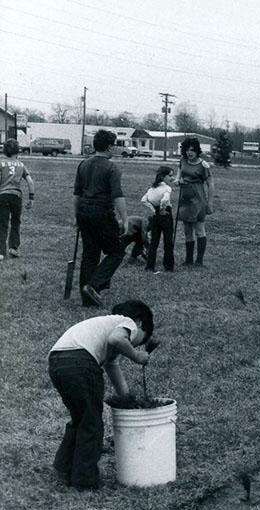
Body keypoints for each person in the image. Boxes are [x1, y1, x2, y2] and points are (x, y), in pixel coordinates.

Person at [48, 300, 153, 490]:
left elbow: (112, 365)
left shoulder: (106, 327)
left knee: (80, 419)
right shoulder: (128, 323)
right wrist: (137, 356)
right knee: (92, 423)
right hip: (81, 362)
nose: (138, 343)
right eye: (142, 339)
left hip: (58, 362)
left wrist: (127, 399)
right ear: (139, 322)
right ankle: (84, 481)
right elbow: (118, 340)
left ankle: (63, 469)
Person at [74, 129, 129, 307]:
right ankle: (93, 285)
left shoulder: (83, 164)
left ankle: (87, 298)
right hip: (101, 213)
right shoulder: (112, 168)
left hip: (83, 211)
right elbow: (117, 195)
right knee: (116, 251)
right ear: (109, 146)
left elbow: (76, 194)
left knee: (90, 254)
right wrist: (125, 220)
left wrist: (77, 217)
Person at [176, 137, 214, 266]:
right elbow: (179, 171)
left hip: (198, 198)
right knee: (187, 231)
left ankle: (199, 261)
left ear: (197, 151)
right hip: (185, 198)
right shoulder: (183, 160)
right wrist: (178, 179)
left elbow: (210, 185)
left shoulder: (203, 165)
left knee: (199, 230)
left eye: (192, 150)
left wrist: (210, 203)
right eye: (187, 150)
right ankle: (188, 260)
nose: (189, 152)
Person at [0, 139, 34, 261]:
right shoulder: (21, 165)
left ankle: (1, 252)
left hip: (2, 195)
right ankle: (13, 247)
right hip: (16, 197)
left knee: (2, 223)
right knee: (16, 222)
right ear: (17, 151)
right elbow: (30, 181)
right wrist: (31, 197)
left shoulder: (1, 164)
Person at [141, 166, 175, 272]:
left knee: (154, 242)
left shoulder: (152, 188)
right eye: (170, 175)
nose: (172, 178)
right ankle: (168, 266)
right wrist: (162, 209)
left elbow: (143, 200)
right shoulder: (167, 188)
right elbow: (165, 200)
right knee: (168, 241)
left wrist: (153, 209)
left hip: (155, 216)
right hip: (166, 214)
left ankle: (150, 266)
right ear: (163, 177)